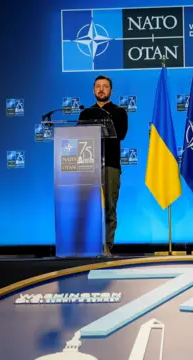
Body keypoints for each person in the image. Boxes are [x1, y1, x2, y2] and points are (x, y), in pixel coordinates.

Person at [78, 75, 128, 256]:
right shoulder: (86, 113)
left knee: (108, 208)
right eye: (98, 86)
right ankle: (88, 249)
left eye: (105, 86)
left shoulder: (119, 112)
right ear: (93, 90)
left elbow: (121, 134)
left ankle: (107, 249)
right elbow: (78, 137)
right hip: (89, 166)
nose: (101, 89)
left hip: (111, 166)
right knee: (89, 209)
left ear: (111, 91)